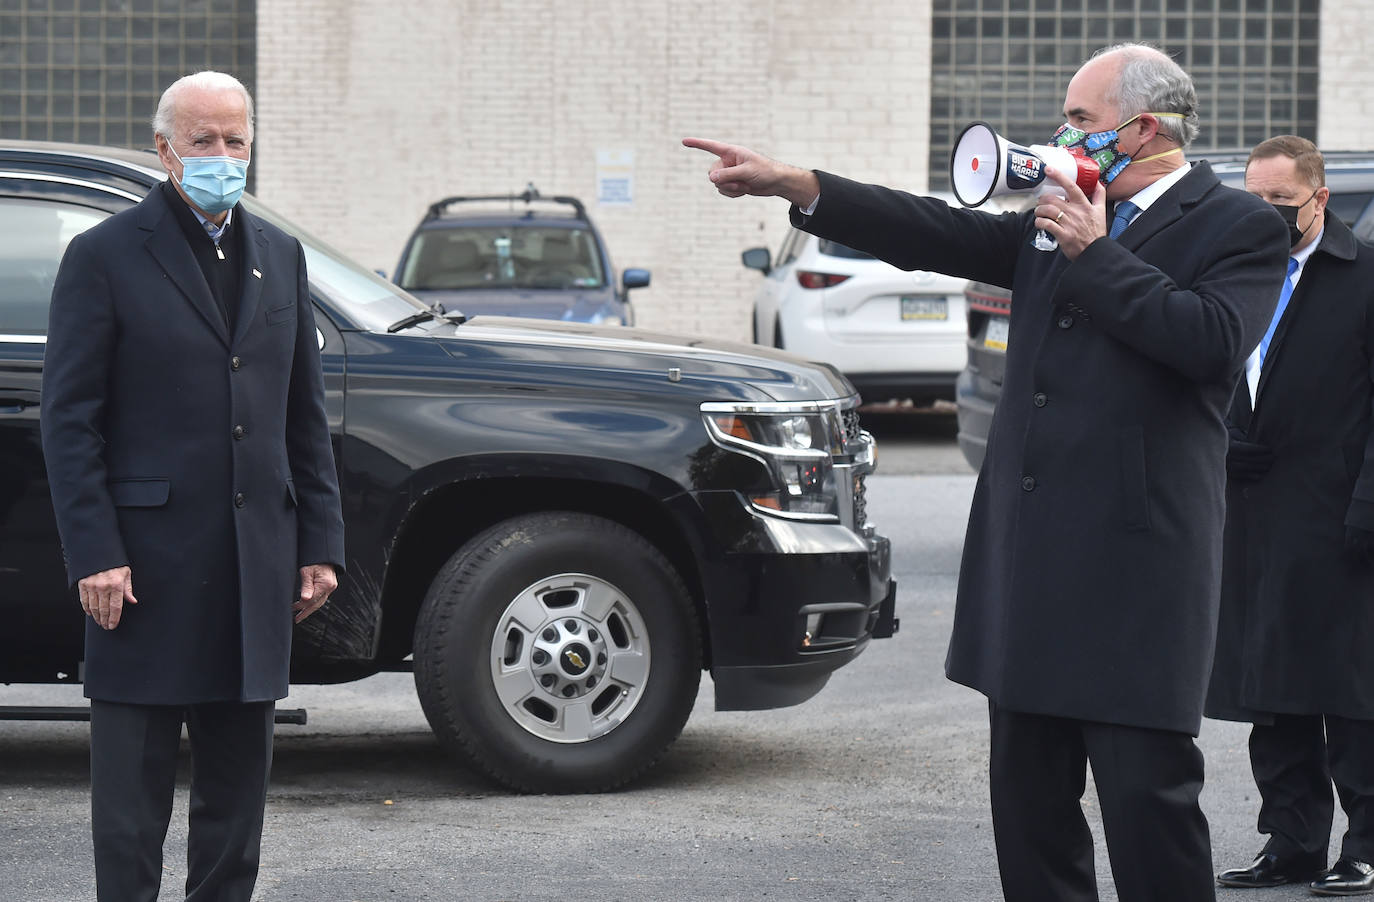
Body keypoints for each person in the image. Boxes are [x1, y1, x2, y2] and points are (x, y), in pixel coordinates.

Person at [686, 42, 1290, 901]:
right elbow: (935, 230)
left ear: (1142, 127)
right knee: (1030, 809)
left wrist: (1095, 252)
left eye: (1080, 119)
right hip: (1034, 562)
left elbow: (1212, 344)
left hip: (1135, 571)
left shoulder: (1236, 226)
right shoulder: (1059, 213)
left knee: (1147, 805)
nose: (1061, 134)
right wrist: (801, 186)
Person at [40, 70, 345, 902]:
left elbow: (300, 414)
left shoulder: (278, 257)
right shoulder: (104, 256)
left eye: (235, 141)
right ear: (164, 150)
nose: (221, 156)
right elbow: (69, 422)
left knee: (235, 798)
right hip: (140, 570)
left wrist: (319, 543)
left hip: (255, 568)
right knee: (131, 808)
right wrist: (94, 553)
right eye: (203, 141)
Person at [1206, 136, 1374, 896]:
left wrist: (1368, 505)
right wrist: (1218, 445)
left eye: (1282, 206)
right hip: (1251, 510)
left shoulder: (1363, 276)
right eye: (1255, 203)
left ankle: (1365, 844)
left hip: (1341, 515)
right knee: (1270, 690)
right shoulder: (1230, 271)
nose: (1267, 219)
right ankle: (1293, 842)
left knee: (1351, 691)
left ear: (1320, 200)